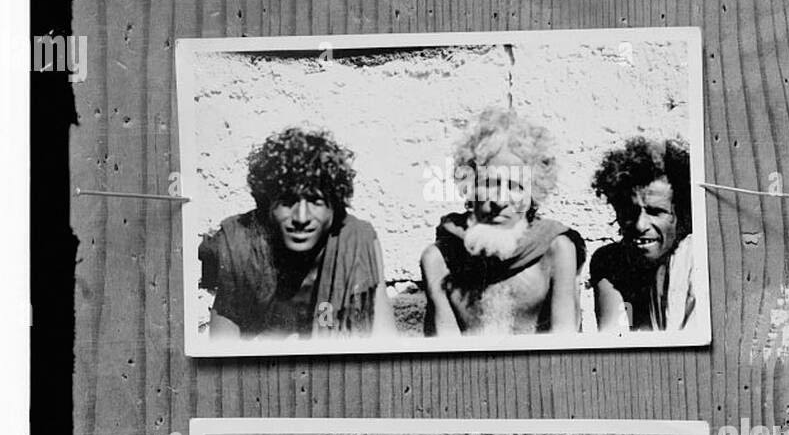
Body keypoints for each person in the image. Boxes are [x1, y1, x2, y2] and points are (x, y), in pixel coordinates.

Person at [199, 126, 396, 341]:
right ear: (267, 204)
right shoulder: (241, 246)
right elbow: (223, 354)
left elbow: (384, 341)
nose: (301, 218)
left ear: (335, 205)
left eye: (315, 201)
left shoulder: (357, 242)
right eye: (287, 201)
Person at [420, 106, 585, 337]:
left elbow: (565, 349)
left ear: (532, 195)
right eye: (489, 184)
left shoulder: (556, 251)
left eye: (516, 186)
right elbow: (446, 361)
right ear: (470, 187)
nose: (500, 200)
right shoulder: (440, 260)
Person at [589, 135, 695, 333]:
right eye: (630, 210)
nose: (639, 225)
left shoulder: (697, 262)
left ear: (683, 215)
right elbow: (616, 340)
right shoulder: (612, 262)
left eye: (656, 212)